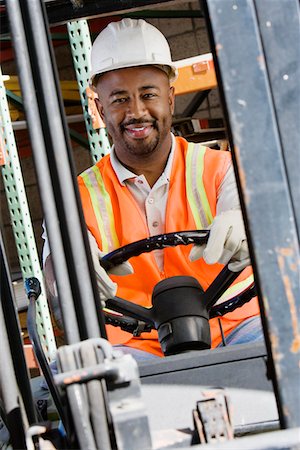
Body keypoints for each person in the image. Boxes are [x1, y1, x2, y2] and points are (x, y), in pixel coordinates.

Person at [43, 18, 262, 360]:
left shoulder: (221, 169)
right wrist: (70, 267)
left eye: (148, 95)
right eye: (119, 100)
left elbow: (252, 211)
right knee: (96, 383)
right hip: (136, 345)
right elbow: (58, 268)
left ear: (170, 99)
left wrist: (245, 221)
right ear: (101, 109)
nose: (136, 112)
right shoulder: (74, 198)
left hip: (235, 327)